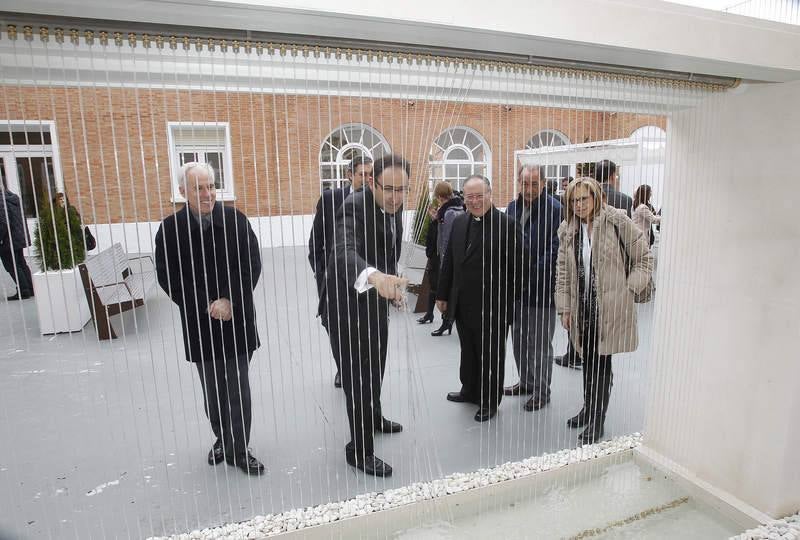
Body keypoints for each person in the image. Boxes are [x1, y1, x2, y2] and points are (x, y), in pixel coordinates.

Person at [155, 162, 265, 475]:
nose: (207, 194)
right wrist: (207, 305)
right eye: (198, 188)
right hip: (200, 324)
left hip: (237, 319)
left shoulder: (235, 220)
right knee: (213, 391)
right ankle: (222, 437)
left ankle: (239, 448)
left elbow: (250, 264)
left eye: (211, 186)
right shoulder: (170, 230)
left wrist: (230, 300)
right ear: (182, 193)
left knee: (237, 387)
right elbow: (169, 278)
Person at [322, 154, 409, 477]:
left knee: (375, 368)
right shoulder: (355, 205)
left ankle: (373, 417)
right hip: (346, 308)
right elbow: (343, 251)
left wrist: (391, 285)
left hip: (375, 305)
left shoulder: (393, 209)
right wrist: (373, 277)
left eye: (402, 191)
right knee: (358, 381)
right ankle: (359, 451)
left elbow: (386, 251)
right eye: (388, 189)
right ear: (371, 182)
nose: (395, 197)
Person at [555, 177, 653, 444]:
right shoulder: (568, 229)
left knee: (601, 364)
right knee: (588, 362)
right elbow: (563, 272)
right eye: (573, 200)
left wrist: (629, 289)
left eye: (583, 199)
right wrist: (564, 308)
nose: (578, 205)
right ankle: (588, 409)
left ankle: (597, 419)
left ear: (596, 197)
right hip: (581, 309)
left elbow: (644, 258)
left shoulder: (617, 221)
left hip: (610, 307)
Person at [437, 175, 526, 422]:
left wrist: (508, 303)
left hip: (493, 307)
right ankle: (469, 389)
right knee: (468, 351)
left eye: (479, 195)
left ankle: (489, 400)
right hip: (462, 304)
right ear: (463, 198)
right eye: (469, 196)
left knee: (491, 356)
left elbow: (520, 269)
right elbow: (450, 262)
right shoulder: (459, 222)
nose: (475, 201)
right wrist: (442, 294)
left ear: (490, 194)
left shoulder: (507, 225)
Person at [308, 155, 373, 388]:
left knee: (365, 329)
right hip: (332, 280)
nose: (366, 179)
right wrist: (322, 273)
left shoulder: (378, 202)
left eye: (370, 174)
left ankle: (363, 372)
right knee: (334, 327)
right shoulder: (329, 199)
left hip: (366, 280)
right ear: (349, 175)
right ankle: (342, 368)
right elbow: (315, 243)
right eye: (361, 174)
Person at [503, 166, 562, 412]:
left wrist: (530, 273)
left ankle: (541, 391)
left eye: (534, 184)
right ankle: (526, 382)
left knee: (539, 343)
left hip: (541, 289)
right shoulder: (512, 208)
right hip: (517, 291)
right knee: (519, 340)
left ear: (544, 183)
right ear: (518, 181)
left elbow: (555, 248)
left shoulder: (556, 209)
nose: (528, 189)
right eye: (524, 183)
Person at [422, 181, 463, 337]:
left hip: (446, 258)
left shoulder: (450, 212)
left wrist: (445, 261)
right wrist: (436, 219)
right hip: (446, 256)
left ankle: (447, 322)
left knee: (446, 291)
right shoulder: (454, 209)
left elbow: (447, 238)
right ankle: (445, 321)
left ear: (439, 196)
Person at [0, 184, 33, 300]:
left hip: (7, 240)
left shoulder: (1, 200)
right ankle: (30, 288)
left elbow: (3, 222)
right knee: (20, 263)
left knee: (12, 265)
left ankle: (24, 291)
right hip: (17, 237)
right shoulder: (12, 197)